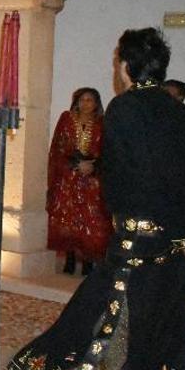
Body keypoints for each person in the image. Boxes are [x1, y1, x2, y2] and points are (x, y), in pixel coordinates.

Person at [7, 28, 185, 370]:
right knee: (162, 340)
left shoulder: (124, 109)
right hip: (176, 251)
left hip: (135, 250)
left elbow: (119, 183)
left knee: (121, 342)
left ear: (123, 66)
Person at [47, 87, 111, 276]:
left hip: (92, 178)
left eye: (90, 100)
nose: (85, 103)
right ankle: (70, 258)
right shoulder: (66, 119)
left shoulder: (102, 123)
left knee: (92, 220)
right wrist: (74, 164)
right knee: (68, 218)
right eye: (82, 100)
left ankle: (88, 261)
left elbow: (107, 149)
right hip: (68, 177)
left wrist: (92, 165)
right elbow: (58, 147)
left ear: (97, 104)